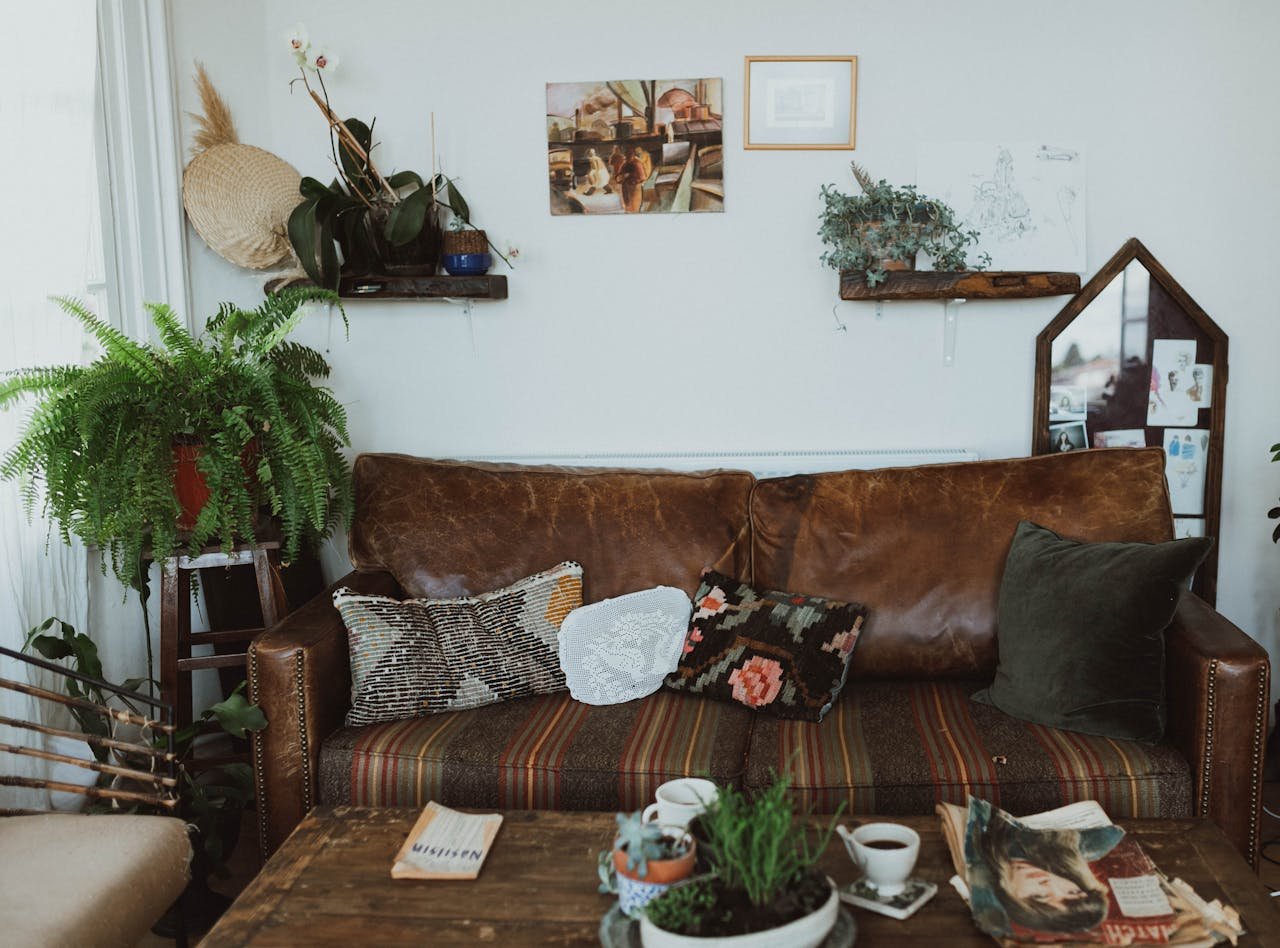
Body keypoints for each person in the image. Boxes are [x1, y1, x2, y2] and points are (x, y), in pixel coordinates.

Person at [977, 810, 1110, 934]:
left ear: (1011, 899)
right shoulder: (1096, 840)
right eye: (1073, 892)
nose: (1048, 884)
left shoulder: (979, 854)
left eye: (1039, 896)